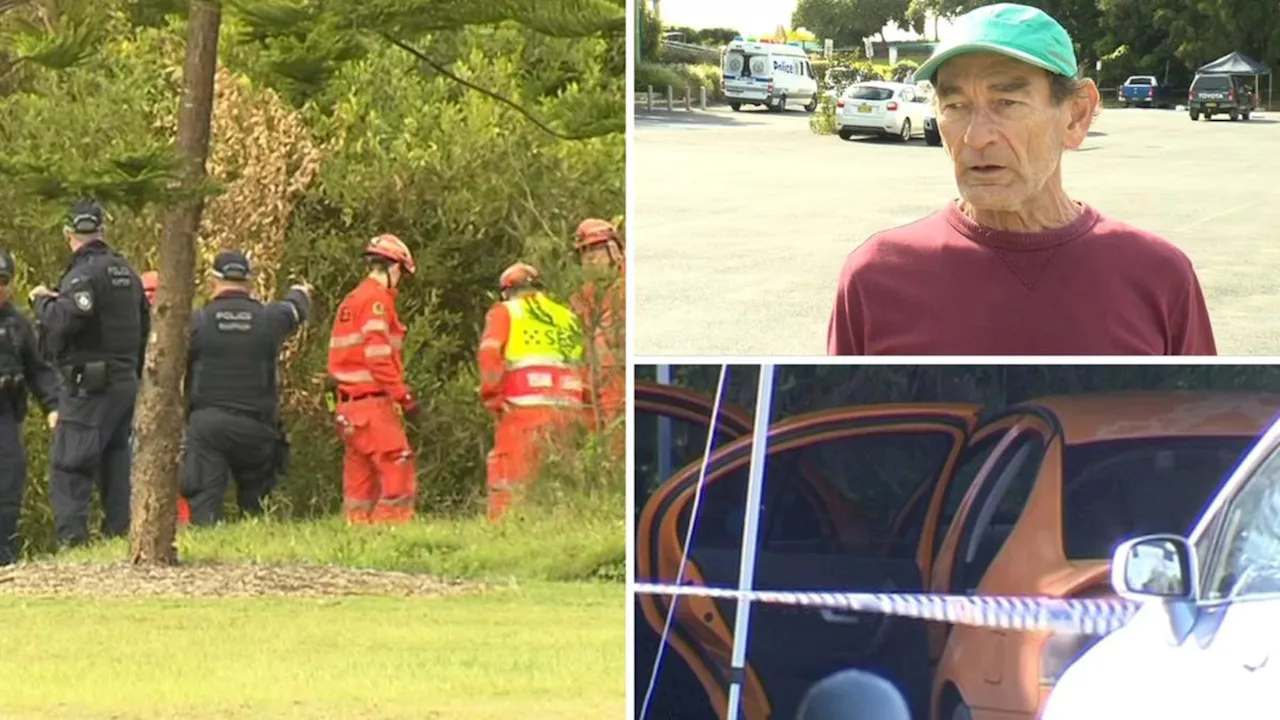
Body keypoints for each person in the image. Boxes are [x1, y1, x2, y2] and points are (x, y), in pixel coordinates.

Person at [826, 3, 1216, 356]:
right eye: (956, 106)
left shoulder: (1159, 276)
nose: (976, 137)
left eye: (1007, 103)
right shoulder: (876, 276)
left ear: (1076, 115)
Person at [29, 199, 148, 547]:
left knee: (70, 465)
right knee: (116, 462)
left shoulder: (83, 275)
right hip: (125, 382)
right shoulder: (128, 272)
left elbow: (65, 320)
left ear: (69, 234)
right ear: (102, 231)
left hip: (90, 386)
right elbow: (145, 328)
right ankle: (121, 538)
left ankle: (73, 544)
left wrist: (42, 301)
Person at [179, 251, 311, 526]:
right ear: (249, 281)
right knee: (256, 506)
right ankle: (252, 546)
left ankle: (205, 550)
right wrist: (300, 290)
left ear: (214, 280)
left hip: (208, 426)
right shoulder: (269, 319)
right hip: (257, 428)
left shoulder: (197, 322)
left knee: (204, 504)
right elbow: (297, 308)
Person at [478, 262, 587, 522]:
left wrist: (491, 396)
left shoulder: (505, 311)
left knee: (512, 477)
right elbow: (581, 362)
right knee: (561, 476)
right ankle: (561, 527)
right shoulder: (566, 316)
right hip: (568, 407)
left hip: (523, 406)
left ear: (506, 291)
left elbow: (489, 353)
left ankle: (506, 531)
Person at [326, 234, 420, 525]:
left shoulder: (352, 300)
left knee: (359, 481)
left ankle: (357, 538)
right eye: (401, 274)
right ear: (394, 268)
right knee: (397, 470)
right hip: (373, 404)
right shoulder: (376, 301)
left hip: (349, 407)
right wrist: (405, 398)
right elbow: (378, 356)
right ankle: (391, 534)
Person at [0, 250, 60, 565]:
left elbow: (38, 370)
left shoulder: (17, 323)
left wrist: (53, 405)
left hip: (6, 416)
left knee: (8, 487)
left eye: (3, 281)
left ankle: (5, 559)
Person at [570, 218, 625, 459]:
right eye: (584, 253)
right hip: (593, 399)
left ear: (614, 251)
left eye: (596, 249)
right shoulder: (581, 300)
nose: (590, 258)